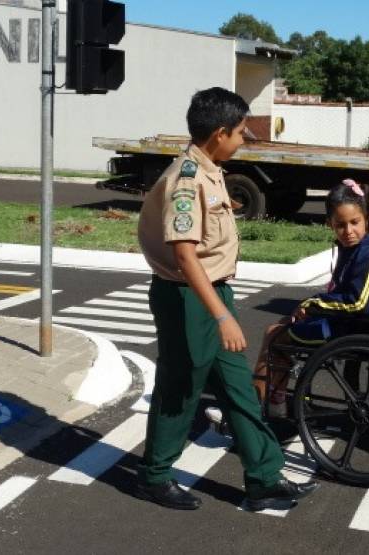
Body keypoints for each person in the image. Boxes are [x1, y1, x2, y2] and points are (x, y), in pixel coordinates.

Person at [135, 87, 318, 511]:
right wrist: (221, 316)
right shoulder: (186, 179)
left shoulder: (210, 169)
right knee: (180, 390)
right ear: (219, 133)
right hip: (186, 298)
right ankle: (155, 475)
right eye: (239, 132)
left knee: (238, 390)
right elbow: (184, 255)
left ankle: (264, 478)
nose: (243, 140)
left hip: (211, 292)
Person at [251, 179, 369, 418]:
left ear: (366, 217)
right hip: (350, 323)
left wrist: (313, 304)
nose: (348, 231)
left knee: (274, 336)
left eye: (354, 223)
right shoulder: (358, 247)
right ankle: (274, 398)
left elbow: (358, 302)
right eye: (340, 225)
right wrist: (314, 305)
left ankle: (258, 407)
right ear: (330, 225)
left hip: (350, 329)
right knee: (278, 328)